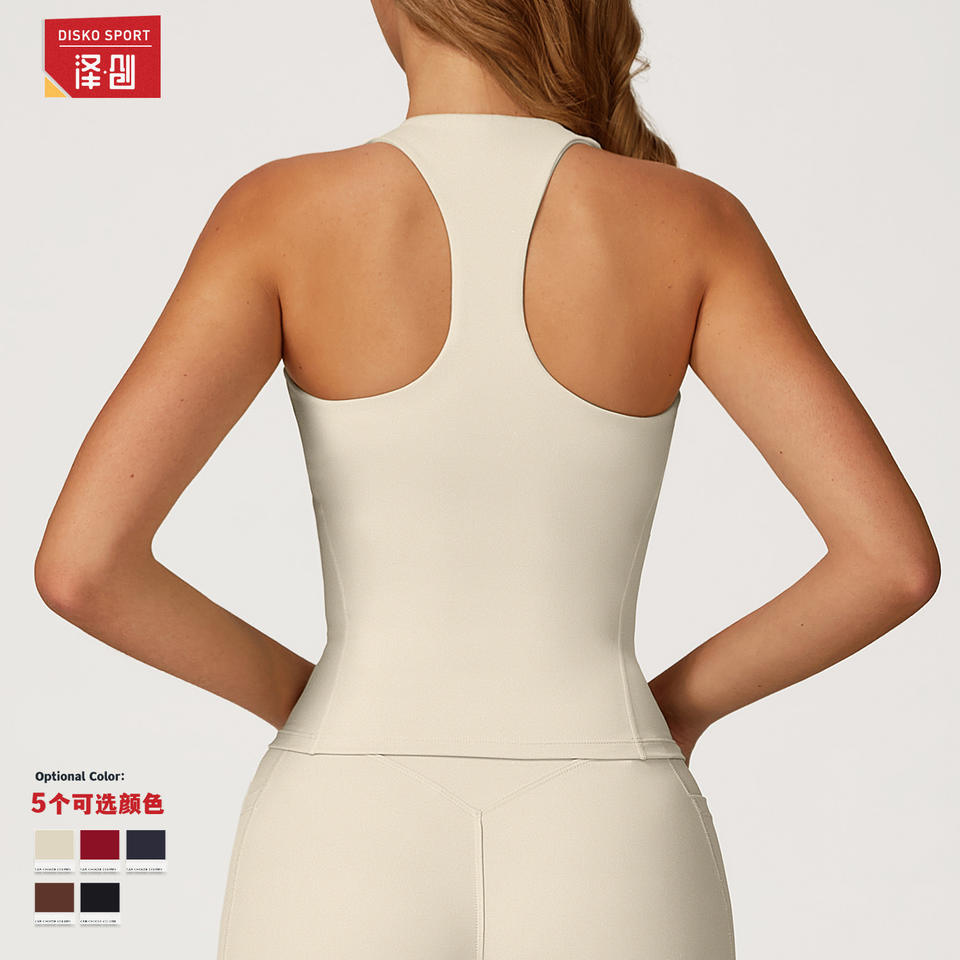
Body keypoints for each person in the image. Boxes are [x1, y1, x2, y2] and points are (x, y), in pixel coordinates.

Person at [34, 1, 940, 958]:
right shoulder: (692, 222)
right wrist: (673, 709)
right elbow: (890, 564)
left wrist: (313, 704)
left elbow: (84, 569)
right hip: (612, 825)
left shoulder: (283, 212)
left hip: (343, 829)